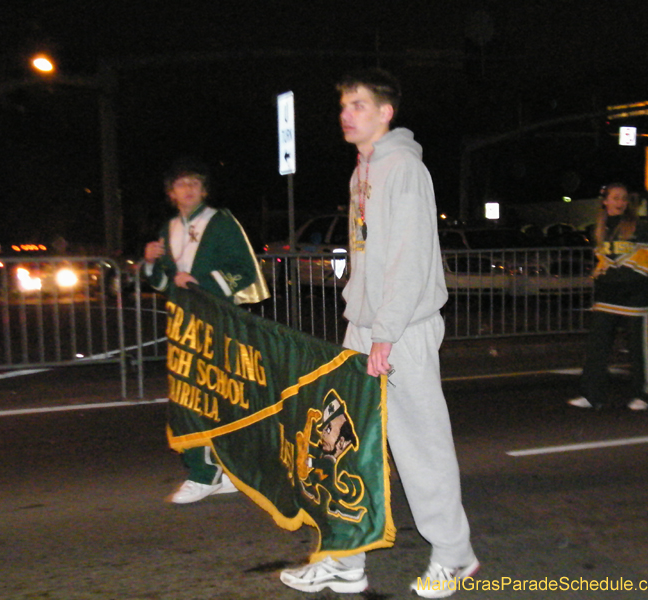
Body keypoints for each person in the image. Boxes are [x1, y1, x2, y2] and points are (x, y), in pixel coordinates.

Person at [280, 69, 479, 598]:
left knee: (419, 446)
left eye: (360, 105)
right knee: (341, 444)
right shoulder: (363, 170)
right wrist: (360, 321)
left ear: (386, 112)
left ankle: (455, 555)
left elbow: (408, 261)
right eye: (344, 105)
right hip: (366, 328)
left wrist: (386, 333)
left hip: (401, 331)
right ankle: (344, 558)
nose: (348, 114)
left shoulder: (404, 168)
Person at [143, 156, 269, 503]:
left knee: (213, 393)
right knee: (192, 394)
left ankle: (206, 471)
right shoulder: (167, 228)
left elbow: (244, 269)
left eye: (195, 184)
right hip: (183, 323)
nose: (188, 189)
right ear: (171, 193)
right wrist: (151, 262)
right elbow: (162, 281)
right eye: (181, 184)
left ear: (204, 191)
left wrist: (202, 283)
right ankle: (224, 468)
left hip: (216, 320)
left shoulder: (221, 222)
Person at [568, 183, 648, 411]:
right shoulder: (599, 229)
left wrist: (629, 276)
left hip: (634, 298)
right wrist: (600, 275)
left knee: (638, 349)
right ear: (605, 201)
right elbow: (603, 259)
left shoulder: (639, 227)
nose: (620, 202)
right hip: (607, 298)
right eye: (616, 198)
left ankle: (643, 395)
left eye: (624, 198)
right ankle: (592, 395)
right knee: (597, 348)